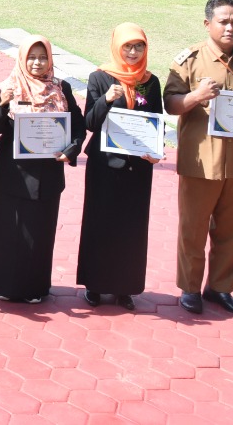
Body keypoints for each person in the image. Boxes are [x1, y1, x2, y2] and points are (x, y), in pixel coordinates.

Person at [165, 0, 233, 317]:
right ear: (207, 23)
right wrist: (196, 96)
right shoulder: (190, 60)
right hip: (201, 160)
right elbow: (169, 103)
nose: (230, 27)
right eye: (224, 21)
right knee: (193, 229)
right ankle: (190, 288)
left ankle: (221, 288)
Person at [0, 37, 85, 304]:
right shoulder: (8, 87)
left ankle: (35, 288)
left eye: (42, 57)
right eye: (31, 56)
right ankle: (4, 286)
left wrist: (72, 150)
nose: (37, 62)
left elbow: (77, 125)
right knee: (10, 231)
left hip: (47, 175)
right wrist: (2, 104)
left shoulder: (61, 88)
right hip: (13, 174)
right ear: (21, 58)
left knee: (41, 233)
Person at [76, 23, 162, 309]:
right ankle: (95, 286)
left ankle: (125, 287)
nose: (134, 52)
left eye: (139, 46)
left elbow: (157, 122)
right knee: (101, 224)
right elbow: (89, 122)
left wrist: (155, 150)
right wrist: (106, 99)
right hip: (105, 165)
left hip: (138, 167)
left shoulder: (151, 81)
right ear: (116, 46)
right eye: (128, 46)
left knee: (131, 228)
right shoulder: (100, 77)